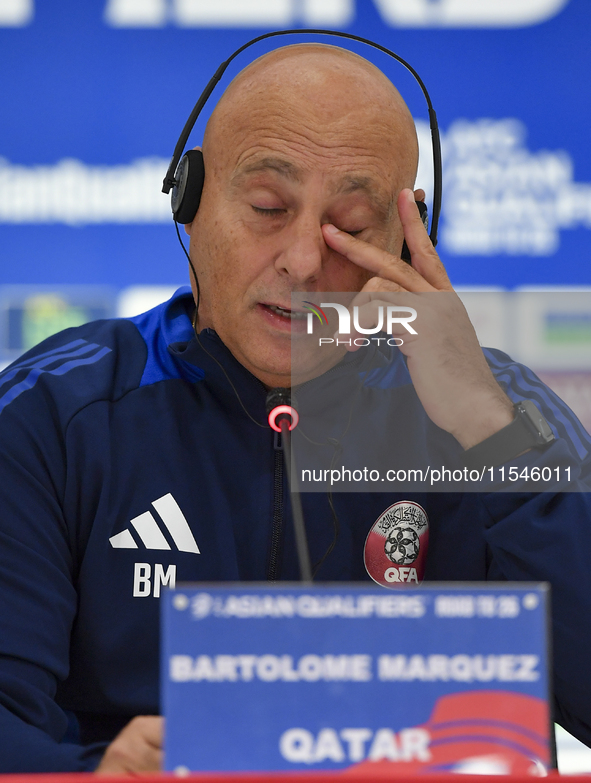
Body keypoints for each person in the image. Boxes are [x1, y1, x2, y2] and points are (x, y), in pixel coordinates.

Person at [0, 42, 589, 774]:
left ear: (407, 242)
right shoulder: (55, 412)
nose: (306, 262)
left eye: (349, 222)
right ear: (189, 203)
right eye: (268, 208)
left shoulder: (498, 411)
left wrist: (487, 430)